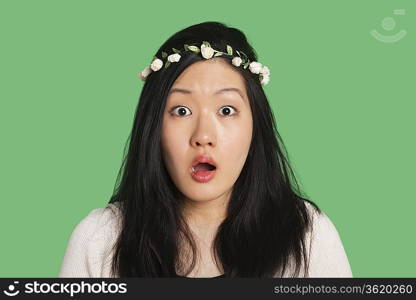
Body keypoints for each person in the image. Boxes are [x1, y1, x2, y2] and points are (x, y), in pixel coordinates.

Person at [59, 21, 352, 278]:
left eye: (226, 110)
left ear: (255, 125)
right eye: (181, 111)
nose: (203, 136)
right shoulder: (100, 239)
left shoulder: (308, 234)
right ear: (153, 126)